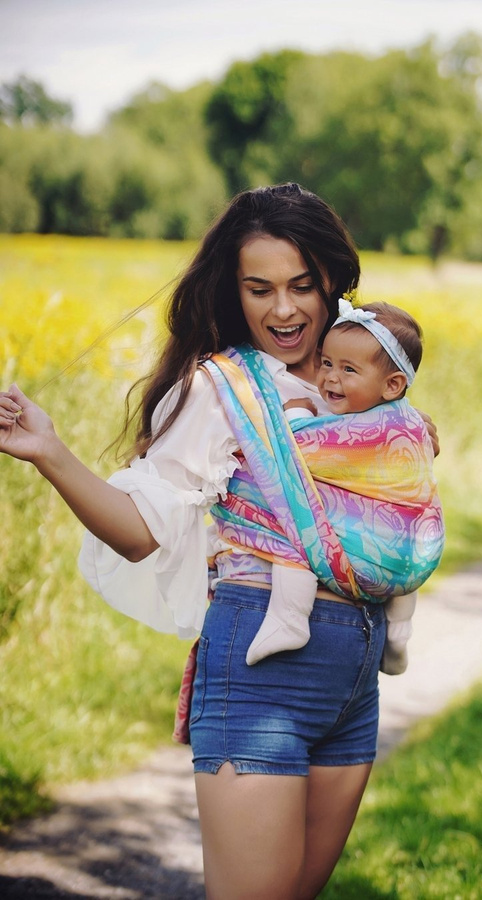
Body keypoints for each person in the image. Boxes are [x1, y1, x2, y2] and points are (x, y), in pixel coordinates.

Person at [0, 183, 439, 900]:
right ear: (232, 292)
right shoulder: (221, 386)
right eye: (260, 289)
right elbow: (142, 532)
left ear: (332, 280)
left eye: (303, 285)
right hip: (265, 674)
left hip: (356, 674)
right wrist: (49, 451)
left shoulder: (356, 375)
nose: (285, 309)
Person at [245, 297, 442, 669]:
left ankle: (289, 618)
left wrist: (300, 410)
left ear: (392, 384)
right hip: (414, 554)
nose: (330, 378)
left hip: (367, 554)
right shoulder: (410, 420)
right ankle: (398, 631)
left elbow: (298, 449)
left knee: (296, 522)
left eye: (348, 369)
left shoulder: (367, 427)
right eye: (327, 363)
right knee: (399, 545)